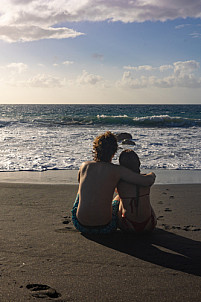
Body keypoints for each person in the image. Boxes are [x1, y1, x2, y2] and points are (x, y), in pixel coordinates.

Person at [71, 131, 156, 234]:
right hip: (106, 227)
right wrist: (151, 174)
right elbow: (147, 181)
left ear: (96, 148)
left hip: (80, 224)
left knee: (81, 192)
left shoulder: (84, 166)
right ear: (114, 152)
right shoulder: (117, 170)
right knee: (118, 197)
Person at [117, 149, 157, 233]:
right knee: (143, 197)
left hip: (128, 225)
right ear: (138, 163)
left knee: (118, 198)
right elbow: (153, 175)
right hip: (149, 224)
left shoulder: (120, 183)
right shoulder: (147, 179)